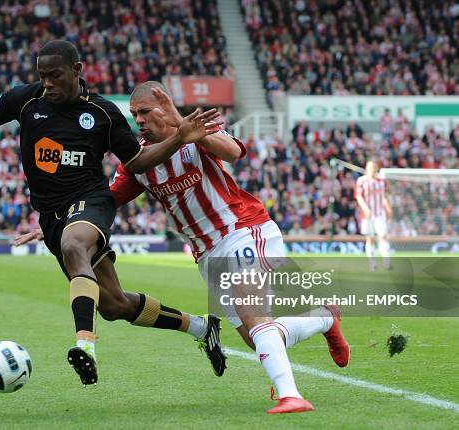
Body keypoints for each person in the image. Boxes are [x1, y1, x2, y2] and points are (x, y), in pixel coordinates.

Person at [19, 81, 351, 414]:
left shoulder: (197, 130)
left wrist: (182, 124)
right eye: (135, 115)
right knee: (256, 338)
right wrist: (60, 222)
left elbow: (234, 152)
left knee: (257, 320)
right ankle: (324, 318)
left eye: (146, 112)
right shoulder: (139, 160)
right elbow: (106, 200)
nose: (140, 120)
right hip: (207, 255)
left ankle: (289, 395)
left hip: (242, 229)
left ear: (165, 107)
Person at [0, 40, 222, 386]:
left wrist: (179, 139)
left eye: (55, 75)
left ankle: (85, 345)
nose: (47, 82)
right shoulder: (25, 99)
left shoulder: (103, 113)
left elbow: (137, 162)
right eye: (42, 75)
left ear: (77, 71)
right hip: (51, 215)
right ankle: (201, 326)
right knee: (113, 306)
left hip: (90, 200)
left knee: (74, 245)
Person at [355, 160, 392, 270]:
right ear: (366, 168)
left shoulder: (382, 181)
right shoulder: (362, 181)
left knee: (383, 236)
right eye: (370, 166)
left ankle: (387, 262)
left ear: (377, 168)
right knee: (370, 238)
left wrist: (389, 208)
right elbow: (359, 196)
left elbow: (384, 196)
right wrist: (365, 208)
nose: (372, 169)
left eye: (374, 166)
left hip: (380, 213)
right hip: (367, 215)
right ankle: (372, 263)